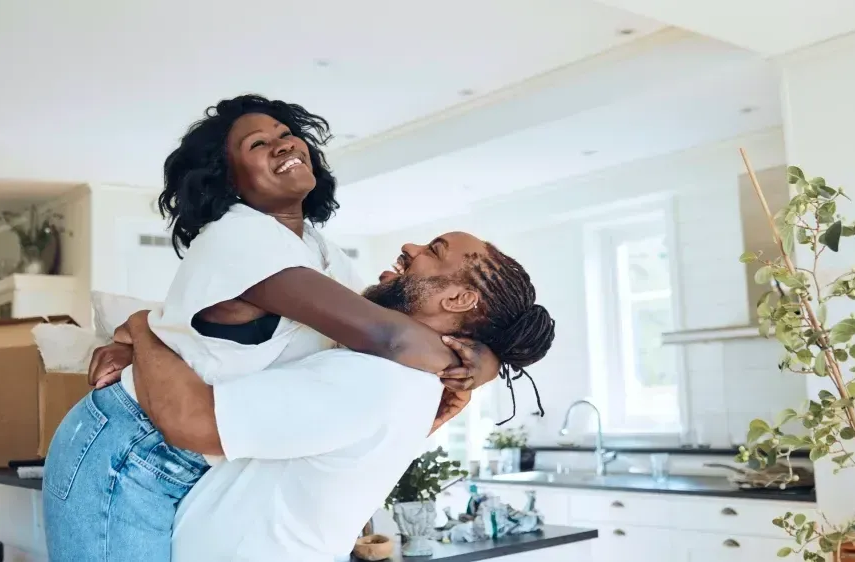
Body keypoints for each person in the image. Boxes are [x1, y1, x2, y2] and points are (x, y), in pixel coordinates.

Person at [41, 95, 498, 562]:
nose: (282, 146)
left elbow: (381, 340)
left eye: (285, 134)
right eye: (258, 144)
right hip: (131, 448)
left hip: (199, 454)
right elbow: (391, 339)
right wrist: (480, 362)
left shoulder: (321, 252)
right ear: (229, 181)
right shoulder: (238, 237)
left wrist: (480, 362)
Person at [91, 231, 556, 561]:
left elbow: (191, 422)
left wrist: (140, 326)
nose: (411, 247)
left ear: (457, 301)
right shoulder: (407, 378)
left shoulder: (372, 379)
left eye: (434, 251)